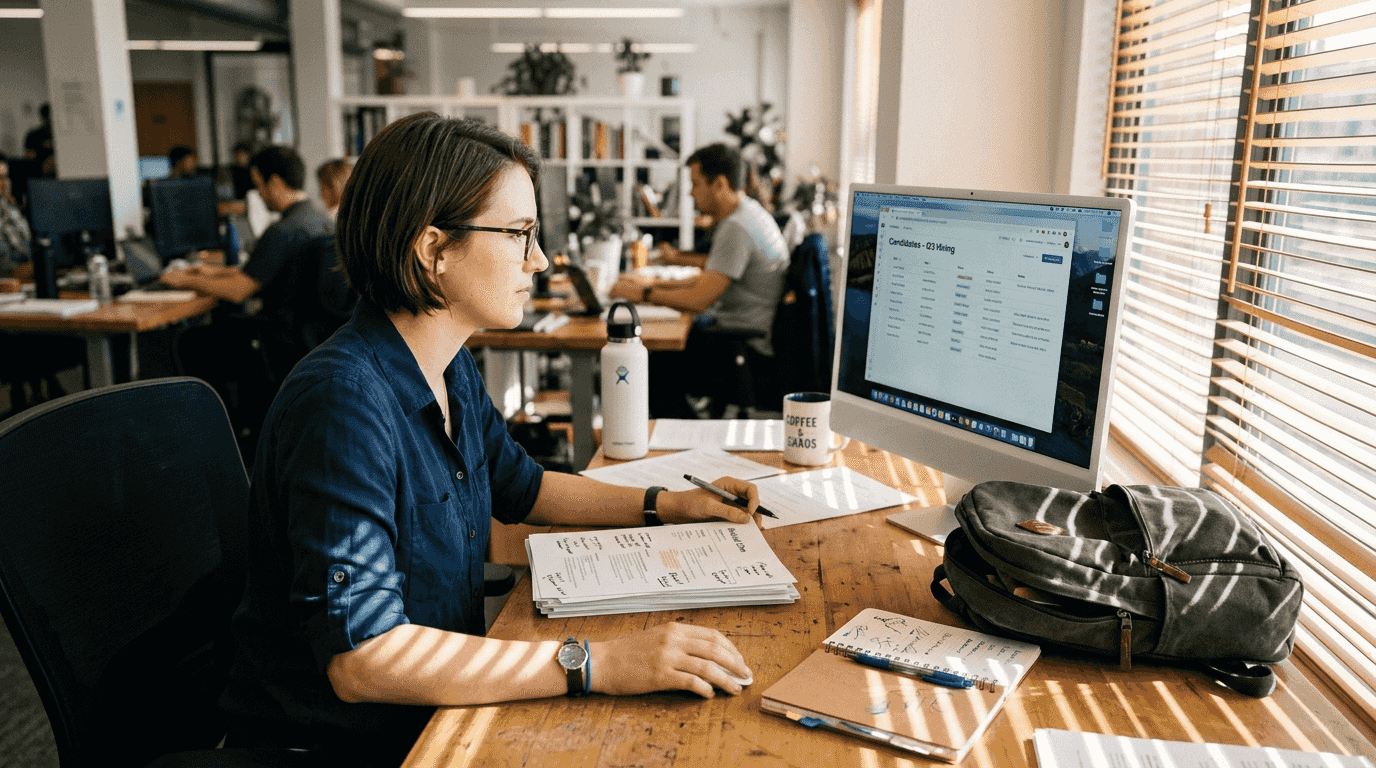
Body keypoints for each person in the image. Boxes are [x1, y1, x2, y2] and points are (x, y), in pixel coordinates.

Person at [219, 113, 759, 766]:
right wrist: (597, 662)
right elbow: (362, 659)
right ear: (432, 250)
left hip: (436, 710)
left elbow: (522, 486)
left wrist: (667, 504)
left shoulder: (447, 364)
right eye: (518, 234)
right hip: (346, 745)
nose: (539, 259)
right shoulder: (343, 404)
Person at [162, 145, 333, 459]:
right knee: (224, 325)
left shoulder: (282, 230)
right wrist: (213, 272)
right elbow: (259, 272)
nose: (259, 194)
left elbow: (240, 290)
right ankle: (240, 424)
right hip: (306, 337)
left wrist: (185, 279)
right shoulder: (316, 220)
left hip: (274, 340)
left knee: (189, 340)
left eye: (259, 185)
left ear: (276, 183)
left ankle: (220, 434)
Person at [609, 143, 789, 418]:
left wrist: (643, 294)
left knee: (648, 372)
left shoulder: (736, 227)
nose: (691, 193)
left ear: (719, 184)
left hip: (742, 349)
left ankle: (690, 442)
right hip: (741, 338)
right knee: (654, 362)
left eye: (695, 184)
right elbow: (705, 281)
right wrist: (649, 287)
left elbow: (699, 299)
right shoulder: (747, 213)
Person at [23, 103, 54, 174]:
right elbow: (29, 160)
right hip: (40, 175)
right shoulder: (33, 136)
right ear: (44, 117)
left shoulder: (62, 137)